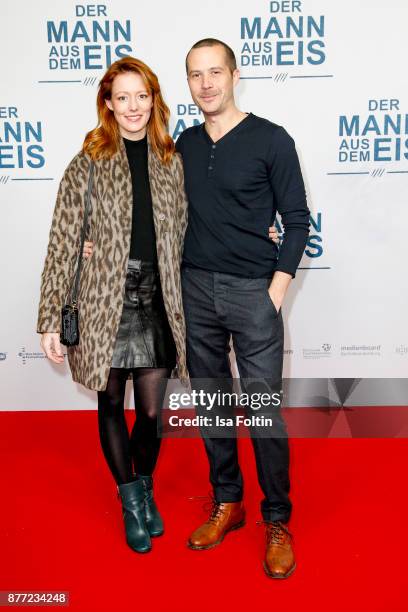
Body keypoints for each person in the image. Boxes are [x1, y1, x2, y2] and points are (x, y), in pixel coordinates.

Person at [37, 56, 189, 554]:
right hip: (105, 299)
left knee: (149, 412)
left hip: (156, 297)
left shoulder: (170, 159)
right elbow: (63, 240)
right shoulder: (89, 160)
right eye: (121, 97)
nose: (133, 106)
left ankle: (143, 487)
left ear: (154, 99)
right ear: (107, 102)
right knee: (109, 402)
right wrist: (50, 318)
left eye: (141, 95)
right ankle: (131, 502)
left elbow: (189, 230)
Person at [176, 38, 310, 579]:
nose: (206, 83)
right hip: (194, 291)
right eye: (195, 75)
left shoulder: (271, 139)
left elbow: (296, 221)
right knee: (210, 405)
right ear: (187, 82)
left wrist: (274, 292)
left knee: (262, 412)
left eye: (215, 72)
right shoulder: (182, 143)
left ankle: (277, 518)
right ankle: (228, 503)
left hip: (254, 291)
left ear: (235, 75)